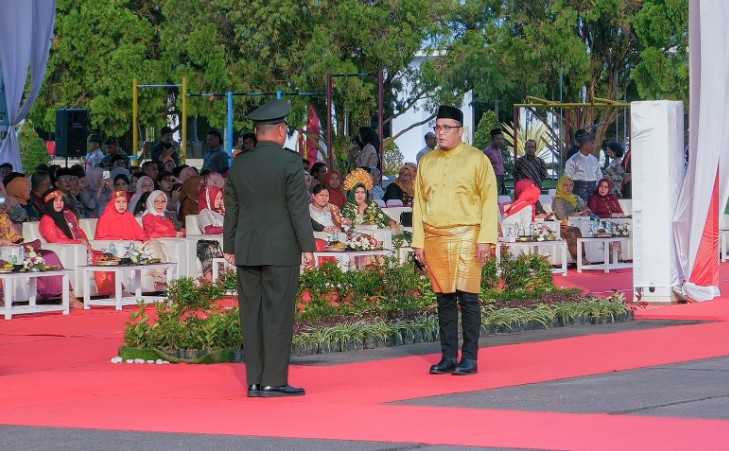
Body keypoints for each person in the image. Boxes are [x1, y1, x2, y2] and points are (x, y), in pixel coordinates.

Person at [223, 99, 315, 398]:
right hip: (280, 249)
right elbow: (298, 209)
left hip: (247, 248)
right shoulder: (289, 162)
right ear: (279, 129)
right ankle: (274, 380)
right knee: (278, 313)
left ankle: (254, 381)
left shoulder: (239, 162)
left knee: (251, 314)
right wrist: (308, 247)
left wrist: (229, 245)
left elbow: (231, 208)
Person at [413, 105, 498, 376]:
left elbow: (489, 201)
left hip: (467, 235)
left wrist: (485, 239)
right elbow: (419, 203)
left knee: (468, 298)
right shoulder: (427, 161)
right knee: (444, 300)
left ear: (461, 131)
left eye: (447, 128)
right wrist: (419, 242)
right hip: (435, 236)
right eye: (438, 127)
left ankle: (470, 357)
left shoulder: (477, 159)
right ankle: (448, 356)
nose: (441, 133)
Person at [0, 209, 83, 308]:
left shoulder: (3, 218)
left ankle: (67, 295)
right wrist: (1, 242)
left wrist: (16, 241)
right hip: (4, 252)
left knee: (48, 255)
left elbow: (15, 235)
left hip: (14, 250)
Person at [39, 189, 114, 294]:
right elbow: (54, 240)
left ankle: (113, 291)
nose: (59, 203)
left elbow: (79, 231)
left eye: (61, 200)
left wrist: (85, 242)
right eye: (56, 200)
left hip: (81, 248)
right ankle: (110, 291)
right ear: (50, 203)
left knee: (106, 257)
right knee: (99, 258)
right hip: (69, 251)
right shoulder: (46, 219)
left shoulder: (67, 214)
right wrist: (78, 243)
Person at [551, 176, 591, 262]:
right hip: (562, 226)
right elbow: (562, 217)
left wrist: (585, 213)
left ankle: (582, 257)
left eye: (570, 185)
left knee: (576, 229)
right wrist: (579, 213)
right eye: (565, 185)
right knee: (572, 231)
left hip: (577, 224)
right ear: (561, 186)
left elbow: (586, 209)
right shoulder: (558, 200)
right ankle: (578, 258)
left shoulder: (576, 198)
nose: (568, 187)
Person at [564, 129, 602, 202]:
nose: (593, 146)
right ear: (585, 145)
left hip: (593, 191)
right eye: (592, 143)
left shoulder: (594, 159)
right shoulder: (572, 160)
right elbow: (567, 178)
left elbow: (599, 177)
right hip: (578, 191)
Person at [196, 185, 225, 280]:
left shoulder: (222, 213)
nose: (219, 201)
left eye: (221, 198)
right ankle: (211, 282)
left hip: (226, 242)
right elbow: (208, 230)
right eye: (216, 198)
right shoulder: (205, 212)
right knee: (210, 248)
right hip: (211, 242)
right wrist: (227, 228)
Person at [483, 128, 507, 195]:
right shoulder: (488, 151)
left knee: (502, 197)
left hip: (501, 177)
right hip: (493, 177)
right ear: (492, 139)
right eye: (497, 139)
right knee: (495, 196)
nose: (500, 141)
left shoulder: (499, 150)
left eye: (501, 139)